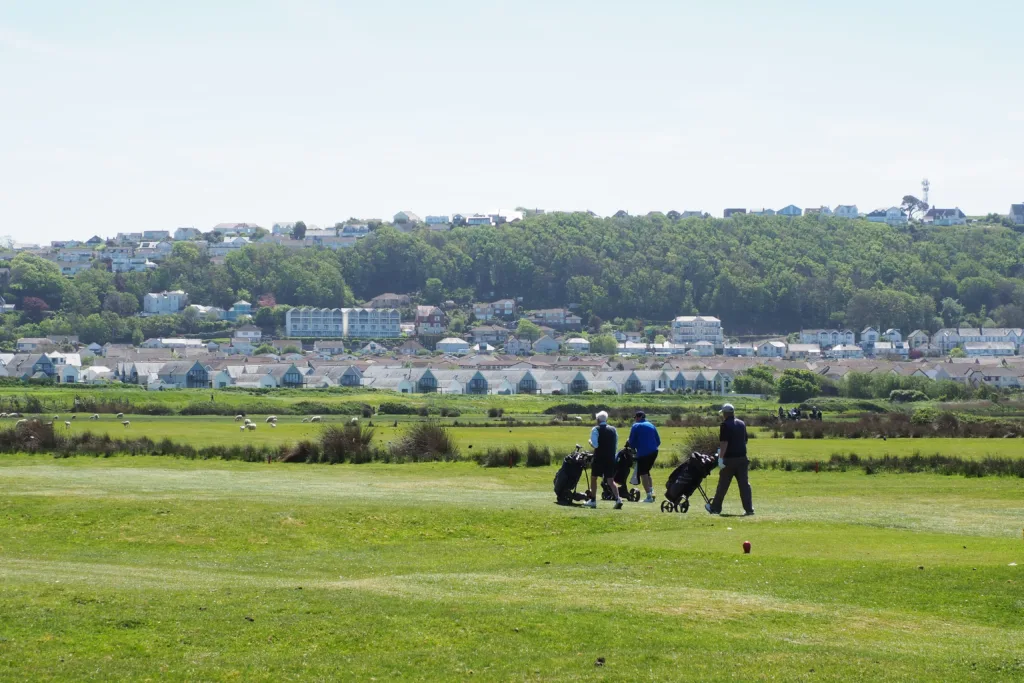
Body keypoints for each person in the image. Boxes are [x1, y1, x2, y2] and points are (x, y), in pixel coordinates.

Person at [707, 403, 754, 516]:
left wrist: (721, 458)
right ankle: (749, 509)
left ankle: (716, 508)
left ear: (725, 413)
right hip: (742, 458)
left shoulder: (725, 425)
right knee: (744, 485)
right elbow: (745, 440)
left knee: (723, 485)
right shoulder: (742, 424)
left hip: (730, 459)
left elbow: (724, 443)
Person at [585, 411, 623, 509]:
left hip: (599, 458)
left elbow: (595, 444)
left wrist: (590, 442)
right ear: (606, 419)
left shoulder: (595, 429)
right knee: (610, 480)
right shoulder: (613, 430)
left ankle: (593, 500)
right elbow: (616, 444)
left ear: (597, 420)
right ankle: (618, 499)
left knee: (594, 478)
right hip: (610, 458)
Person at [627, 411, 661, 503]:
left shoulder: (636, 426)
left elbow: (632, 442)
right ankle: (652, 492)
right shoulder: (651, 425)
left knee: (643, 474)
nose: (635, 420)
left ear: (639, 417)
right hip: (654, 452)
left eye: (635, 418)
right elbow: (658, 441)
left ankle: (649, 496)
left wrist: (633, 448)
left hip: (644, 453)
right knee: (647, 472)